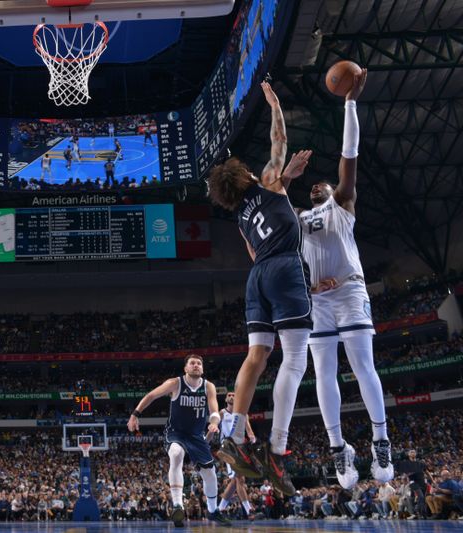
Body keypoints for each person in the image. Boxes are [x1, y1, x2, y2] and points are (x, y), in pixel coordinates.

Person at [207, 81, 314, 497]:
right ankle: (277, 447)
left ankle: (233, 433)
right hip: (286, 267)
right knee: (296, 358)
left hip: (257, 278)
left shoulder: (240, 217)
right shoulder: (268, 180)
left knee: (256, 356)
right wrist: (275, 105)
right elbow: (280, 138)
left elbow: (254, 253)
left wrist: (285, 180)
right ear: (247, 175)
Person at [297, 68, 394, 489]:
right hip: (318, 300)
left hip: (352, 289)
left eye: (325, 183)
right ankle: (338, 449)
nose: (319, 185)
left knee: (361, 364)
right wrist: (306, 287)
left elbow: (348, 153)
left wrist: (349, 103)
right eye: (313, 185)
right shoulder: (298, 220)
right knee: (323, 373)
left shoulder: (344, 202)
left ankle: (380, 438)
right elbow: (266, 255)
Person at [127, 354, 231, 528]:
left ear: (203, 368)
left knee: (210, 474)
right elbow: (151, 395)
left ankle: (213, 511)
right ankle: (177, 506)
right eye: (192, 363)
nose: (196, 365)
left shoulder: (208, 386)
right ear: (186, 368)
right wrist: (135, 414)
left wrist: (214, 423)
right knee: (176, 454)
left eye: (199, 363)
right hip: (176, 432)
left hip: (197, 435)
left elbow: (214, 410)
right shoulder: (175, 383)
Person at [217, 392, 255, 519]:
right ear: (226, 399)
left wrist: (253, 439)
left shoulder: (243, 413)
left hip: (240, 447)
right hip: (228, 447)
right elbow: (213, 424)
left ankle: (220, 509)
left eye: (234, 394)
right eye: (229, 395)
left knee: (235, 481)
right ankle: (249, 511)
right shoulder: (222, 413)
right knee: (239, 478)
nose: (231, 396)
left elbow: (249, 430)